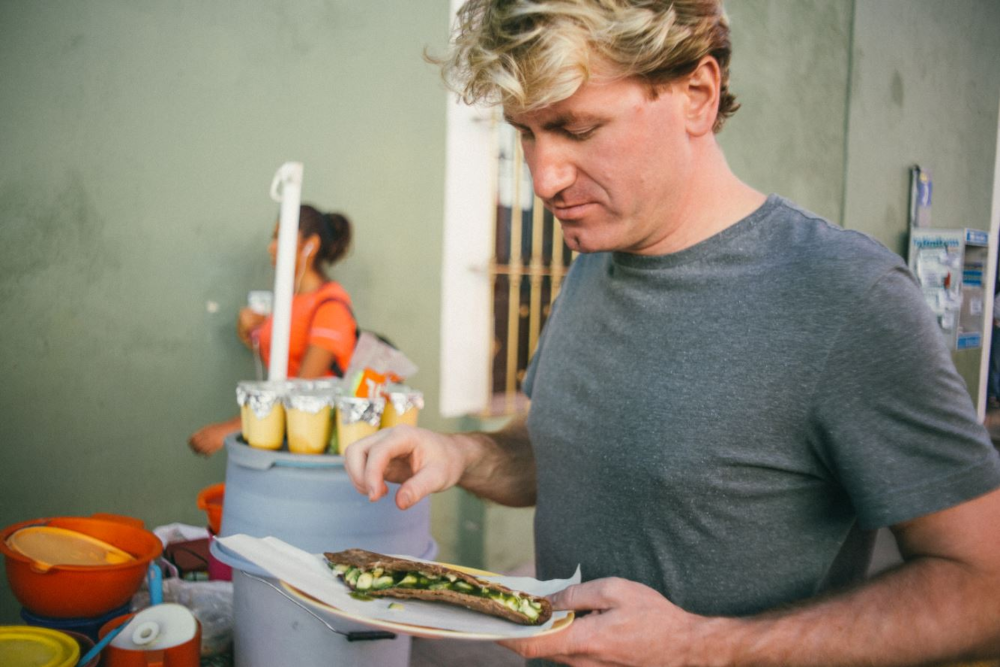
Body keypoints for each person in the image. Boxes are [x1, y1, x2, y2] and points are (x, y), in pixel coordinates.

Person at [346, 1, 1000, 666]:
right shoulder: (595, 257)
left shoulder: (847, 296)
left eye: (578, 128)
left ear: (697, 94)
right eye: (528, 133)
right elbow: (577, 455)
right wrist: (461, 455)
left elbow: (983, 587)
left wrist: (703, 646)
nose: (545, 177)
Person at [188, 205, 357, 456]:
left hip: (313, 445)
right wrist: (246, 329)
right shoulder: (290, 300)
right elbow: (282, 355)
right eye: (273, 237)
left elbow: (300, 391)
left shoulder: (330, 307)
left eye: (281, 237)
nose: (271, 246)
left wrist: (231, 428)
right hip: (286, 437)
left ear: (311, 244)